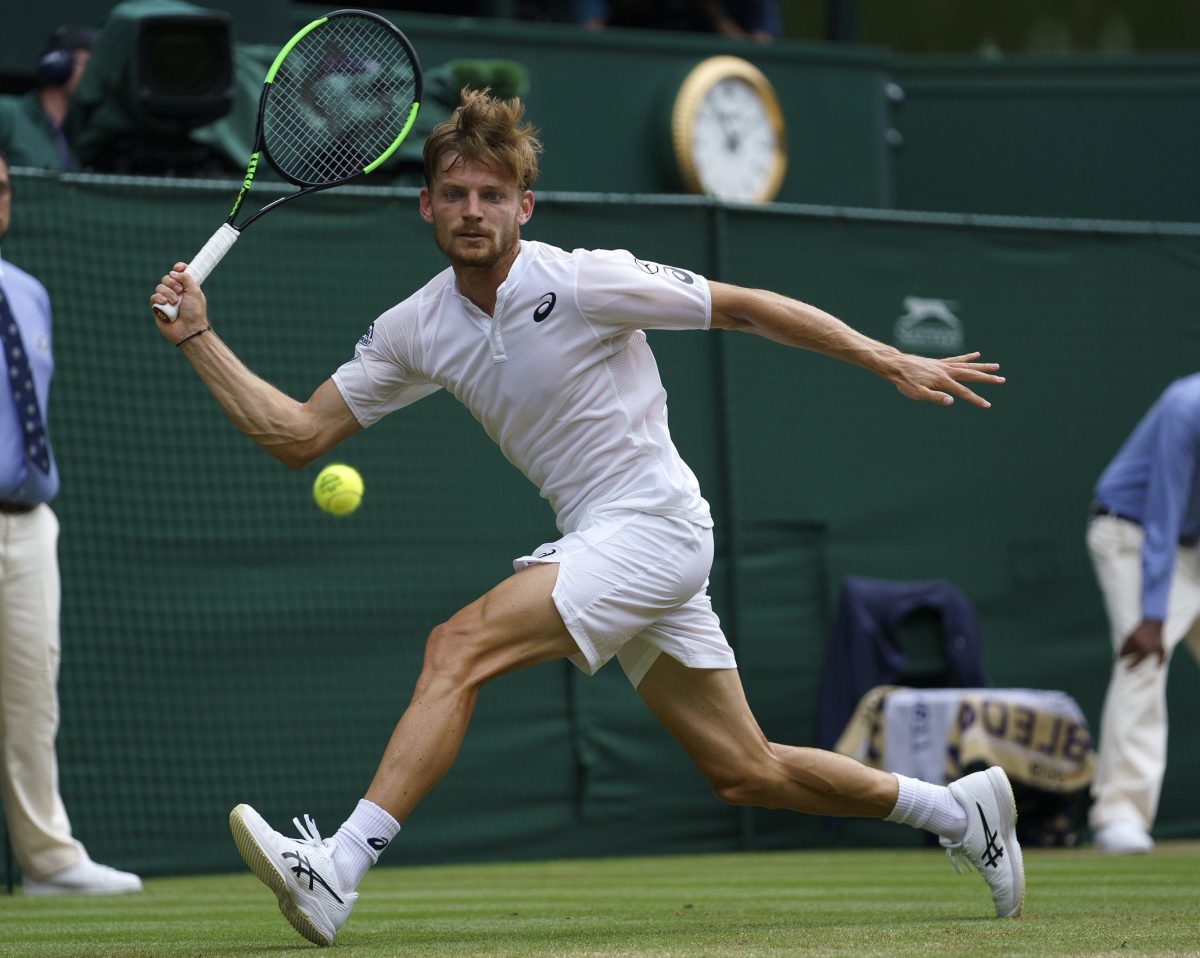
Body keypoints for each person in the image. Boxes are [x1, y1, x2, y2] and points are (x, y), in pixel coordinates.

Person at [150, 90, 1016, 946]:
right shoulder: (416, 326)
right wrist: (199, 337)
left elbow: (745, 305)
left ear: (524, 206)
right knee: (745, 770)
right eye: (455, 194)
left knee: (459, 646)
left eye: (493, 194)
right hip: (603, 537)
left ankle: (338, 868)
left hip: (655, 524)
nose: (473, 210)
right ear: (426, 207)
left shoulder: (582, 280)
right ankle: (957, 811)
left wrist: (886, 356)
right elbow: (298, 434)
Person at [0, 150, 142, 896]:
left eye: (0, 189)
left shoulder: (28, 292)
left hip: (27, 524)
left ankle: (48, 862)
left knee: (31, 697)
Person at [1087, 373, 1200, 854]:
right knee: (1143, 663)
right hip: (1133, 539)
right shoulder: (1186, 405)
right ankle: (1120, 815)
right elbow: (1164, 510)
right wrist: (1152, 615)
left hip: (1193, 544)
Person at [0, 26, 94, 171]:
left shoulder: (72, 137)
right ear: (61, 65)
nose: (94, 74)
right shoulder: (7, 113)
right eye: (88, 63)